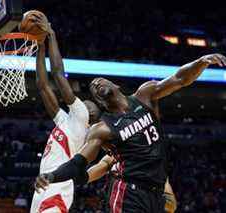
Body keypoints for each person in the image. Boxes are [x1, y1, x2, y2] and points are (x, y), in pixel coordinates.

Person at [35, 53, 226, 212]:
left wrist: (201, 62)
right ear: (100, 102)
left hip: (155, 192)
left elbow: (180, 79)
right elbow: (79, 163)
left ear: (116, 85)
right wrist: (51, 176)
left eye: (100, 80)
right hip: (128, 192)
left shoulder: (145, 95)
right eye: (93, 88)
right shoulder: (103, 129)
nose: (95, 83)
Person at [29, 12, 101, 213]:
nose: (87, 101)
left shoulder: (82, 119)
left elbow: (58, 73)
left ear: (92, 116)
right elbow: (42, 86)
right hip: (44, 185)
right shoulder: (66, 121)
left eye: (92, 104)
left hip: (57, 189)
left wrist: (51, 35)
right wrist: (40, 46)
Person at [87, 155, 177, 213]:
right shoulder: (116, 155)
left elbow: (171, 205)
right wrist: (78, 179)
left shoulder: (154, 168)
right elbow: (103, 164)